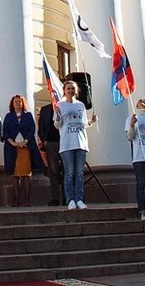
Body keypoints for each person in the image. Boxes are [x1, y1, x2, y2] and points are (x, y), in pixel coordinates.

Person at [54, 81, 97, 210]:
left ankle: (79, 199)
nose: (70, 91)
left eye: (73, 88)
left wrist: (91, 121)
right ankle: (70, 200)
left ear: (76, 91)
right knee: (69, 172)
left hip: (81, 143)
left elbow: (84, 124)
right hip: (67, 144)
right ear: (64, 90)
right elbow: (57, 125)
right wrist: (57, 116)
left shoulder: (81, 105)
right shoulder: (60, 105)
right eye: (68, 88)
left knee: (79, 173)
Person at [2, 94, 44, 206]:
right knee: (15, 174)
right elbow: (5, 132)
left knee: (25, 173)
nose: (17, 103)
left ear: (23, 103)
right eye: (15, 101)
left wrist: (24, 142)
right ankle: (16, 199)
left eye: (19, 101)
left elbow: (32, 130)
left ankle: (27, 199)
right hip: (12, 148)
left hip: (25, 147)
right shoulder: (9, 116)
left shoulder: (28, 115)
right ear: (12, 104)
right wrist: (14, 143)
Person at [37, 102, 63, 206]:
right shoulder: (45, 109)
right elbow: (41, 127)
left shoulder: (67, 107)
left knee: (67, 171)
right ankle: (55, 197)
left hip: (66, 143)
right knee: (53, 171)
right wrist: (44, 141)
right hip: (51, 143)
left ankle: (67, 197)